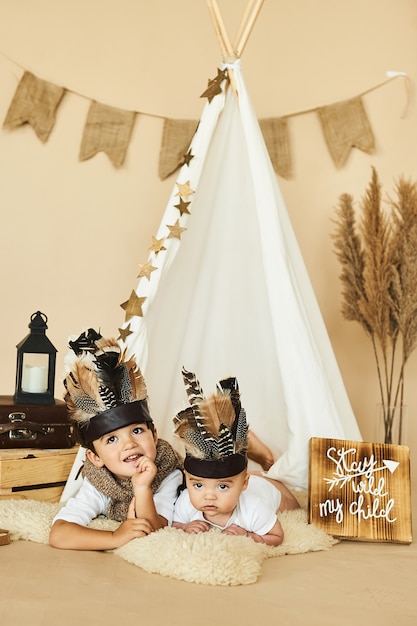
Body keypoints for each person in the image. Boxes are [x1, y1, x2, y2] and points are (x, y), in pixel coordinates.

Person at [49, 329, 183, 551]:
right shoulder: (99, 480)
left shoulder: (168, 470)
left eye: (137, 431)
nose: (129, 443)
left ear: (155, 435)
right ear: (95, 457)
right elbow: (60, 534)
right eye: (111, 439)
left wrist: (142, 487)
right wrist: (113, 537)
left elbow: (155, 528)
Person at [171, 369, 299, 546]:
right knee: (251, 475)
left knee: (293, 505)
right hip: (248, 479)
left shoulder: (254, 509)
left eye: (223, 486)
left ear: (243, 485)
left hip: (268, 488)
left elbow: (277, 536)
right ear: (187, 478)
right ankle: (258, 465)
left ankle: (268, 465)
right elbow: (175, 523)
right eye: (198, 485)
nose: (209, 496)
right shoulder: (186, 502)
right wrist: (184, 527)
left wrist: (251, 536)